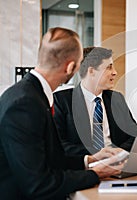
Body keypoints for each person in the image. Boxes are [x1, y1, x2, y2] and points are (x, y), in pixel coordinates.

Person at [0, 27, 124, 200]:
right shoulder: (25, 104)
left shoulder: (29, 94)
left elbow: (46, 158)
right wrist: (95, 174)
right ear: (71, 67)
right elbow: (39, 184)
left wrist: (88, 160)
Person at [53, 46, 137, 156]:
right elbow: (58, 144)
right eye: (109, 67)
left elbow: (136, 135)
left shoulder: (116, 98)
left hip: (116, 163)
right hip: (83, 166)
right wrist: (97, 154)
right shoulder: (60, 101)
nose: (115, 72)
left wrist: (116, 152)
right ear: (91, 71)